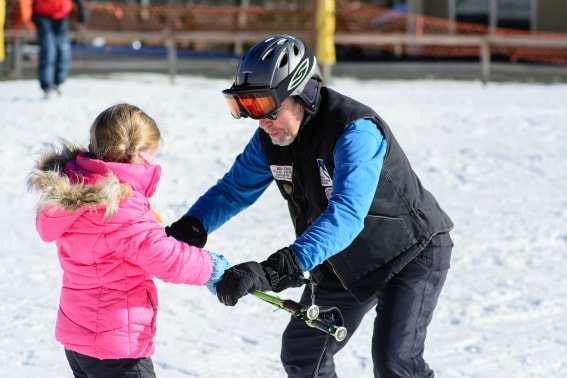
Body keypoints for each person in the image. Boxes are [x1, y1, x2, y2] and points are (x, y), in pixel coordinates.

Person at [166, 35, 454, 377]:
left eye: (263, 106)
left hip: (409, 254)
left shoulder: (354, 131)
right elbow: (233, 190)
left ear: (301, 93)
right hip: (343, 261)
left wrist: (276, 268)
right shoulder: (271, 140)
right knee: (304, 354)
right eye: (245, 108)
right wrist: (193, 226)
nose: (260, 121)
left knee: (396, 363)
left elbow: (347, 214)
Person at [28, 103, 230, 378]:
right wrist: (212, 267)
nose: (154, 164)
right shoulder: (119, 204)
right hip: (115, 347)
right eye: (152, 157)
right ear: (137, 156)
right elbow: (164, 257)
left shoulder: (73, 191)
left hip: (79, 339)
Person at [31, 0, 88, 98]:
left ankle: (58, 82)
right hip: (42, 15)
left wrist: (82, 9)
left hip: (61, 16)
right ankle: (47, 85)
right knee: (48, 50)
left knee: (63, 49)